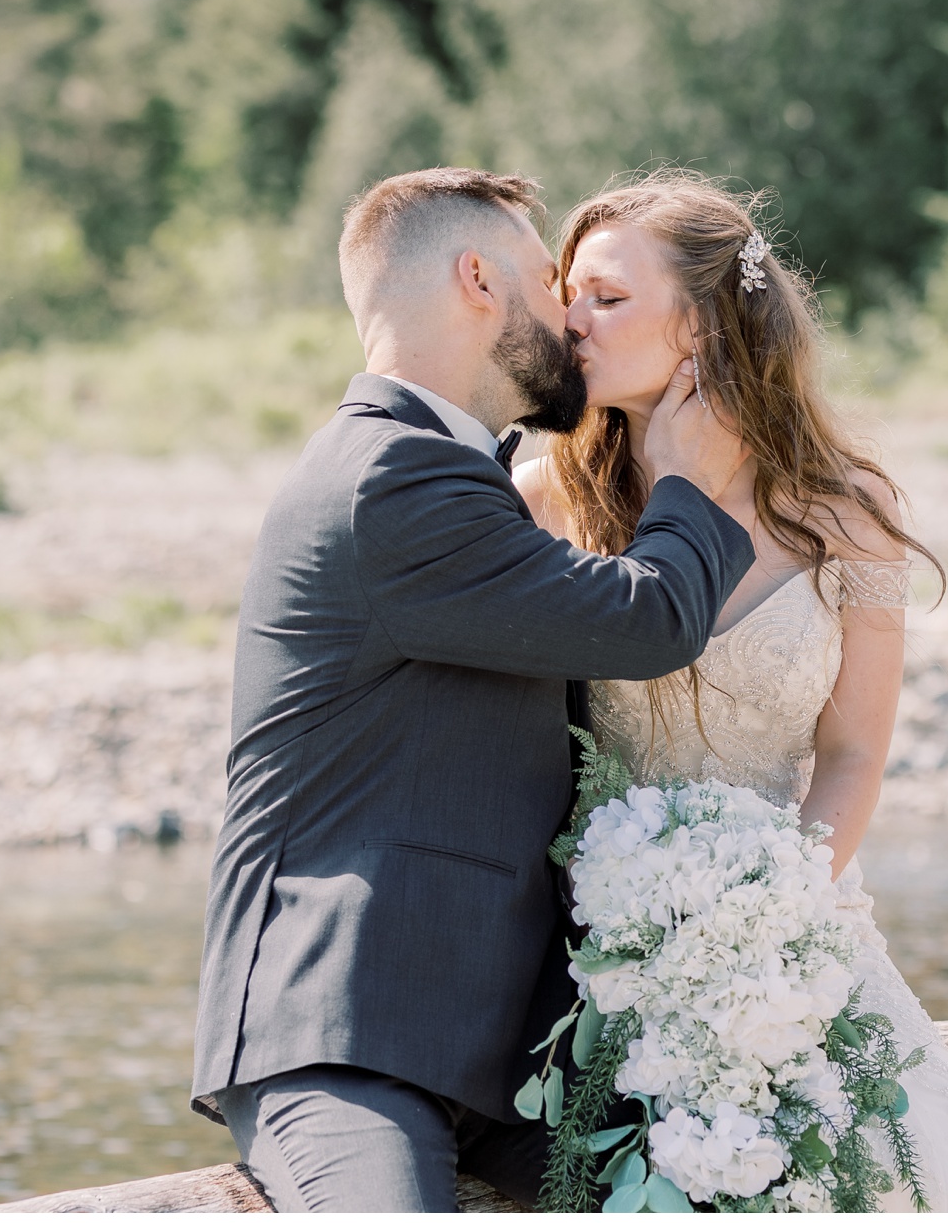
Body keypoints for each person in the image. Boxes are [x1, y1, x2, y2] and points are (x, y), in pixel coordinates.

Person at [190, 167, 756, 1212]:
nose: (570, 318)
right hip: (345, 1035)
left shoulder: (459, 473)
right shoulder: (390, 477)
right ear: (477, 282)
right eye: (550, 282)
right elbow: (649, 619)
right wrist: (684, 471)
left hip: (502, 1051)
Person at [515, 170, 948, 1211]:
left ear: (705, 325)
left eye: (607, 297)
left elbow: (851, 755)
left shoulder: (848, 507)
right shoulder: (540, 501)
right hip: (595, 960)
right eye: (566, 291)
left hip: (793, 945)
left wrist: (775, 920)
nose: (568, 321)